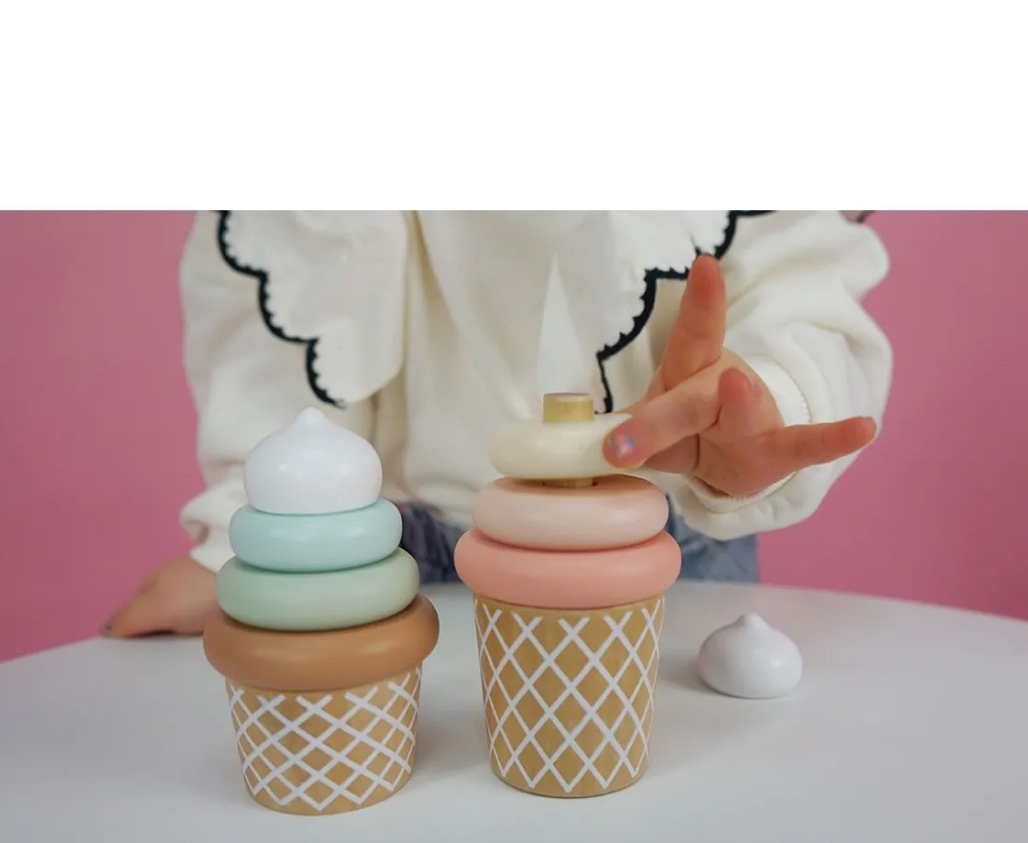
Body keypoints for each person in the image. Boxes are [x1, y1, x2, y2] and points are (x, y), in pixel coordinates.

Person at [105, 210, 890, 638]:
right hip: (397, 552)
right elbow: (295, 275)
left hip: (669, 538)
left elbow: (799, 267)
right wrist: (252, 535)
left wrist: (769, 395)